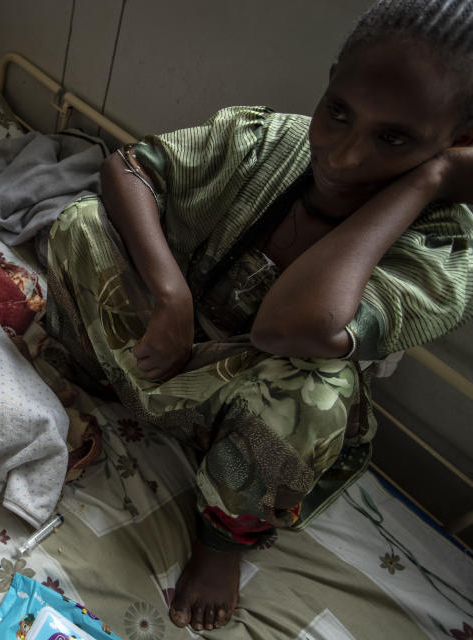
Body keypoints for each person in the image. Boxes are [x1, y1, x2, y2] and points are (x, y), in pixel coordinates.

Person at [45, 0, 473, 632]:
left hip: (246, 417)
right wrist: (171, 294)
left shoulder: (440, 255)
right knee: (81, 223)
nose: (346, 156)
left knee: (316, 392)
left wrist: (425, 183)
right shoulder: (273, 142)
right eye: (338, 113)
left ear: (458, 146)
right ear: (328, 83)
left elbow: (291, 328)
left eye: (395, 139)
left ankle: (222, 541)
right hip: (164, 348)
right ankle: (95, 371)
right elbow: (129, 168)